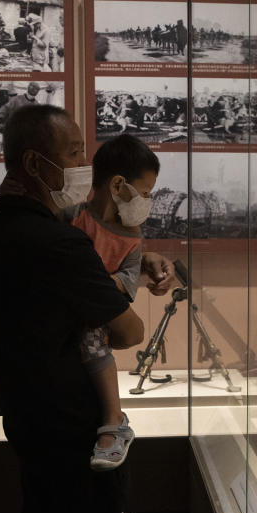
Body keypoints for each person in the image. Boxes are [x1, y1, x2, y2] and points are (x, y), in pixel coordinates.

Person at [0, 104, 144, 513]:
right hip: (78, 429)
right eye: (71, 153)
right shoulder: (59, 244)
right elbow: (129, 331)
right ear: (34, 162)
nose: (81, 162)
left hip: (28, 420)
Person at [64, 135, 160, 470]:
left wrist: (100, 285)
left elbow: (128, 279)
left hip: (97, 311)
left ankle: (114, 420)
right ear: (118, 184)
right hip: (67, 310)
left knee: (93, 345)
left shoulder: (132, 236)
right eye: (145, 193)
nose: (147, 201)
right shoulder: (74, 216)